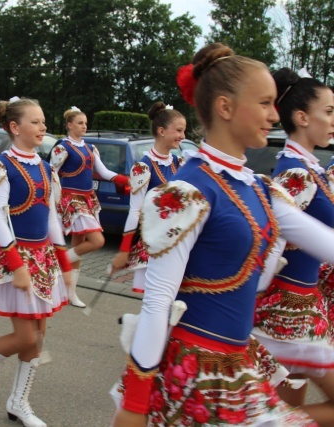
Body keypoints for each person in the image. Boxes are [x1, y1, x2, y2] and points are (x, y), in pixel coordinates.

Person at [110, 43, 334, 426]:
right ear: (225, 108)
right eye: (263, 103)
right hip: (199, 374)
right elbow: (158, 301)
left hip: (239, 366)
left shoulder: (263, 189)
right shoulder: (185, 193)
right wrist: (134, 405)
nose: (273, 114)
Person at [0, 97, 71, 427]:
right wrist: (17, 264)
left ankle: (19, 402)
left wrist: (62, 258)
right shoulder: (0, 166)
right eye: (35, 122)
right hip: (15, 257)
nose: (43, 127)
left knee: (39, 336)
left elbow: (49, 218)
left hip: (43, 257)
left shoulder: (47, 167)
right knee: (24, 338)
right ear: (14, 127)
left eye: (43, 121)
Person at [251, 68, 334, 423]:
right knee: (282, 415)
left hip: (305, 305)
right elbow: (271, 237)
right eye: (328, 112)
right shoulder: (295, 174)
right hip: (290, 312)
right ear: (302, 118)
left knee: (286, 409)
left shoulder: (311, 168)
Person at [50, 106, 129, 307]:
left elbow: (102, 171)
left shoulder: (90, 148)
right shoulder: (62, 147)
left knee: (79, 247)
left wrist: (124, 180)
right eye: (79, 123)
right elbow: (51, 174)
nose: (84, 126)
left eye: (85, 123)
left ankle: (70, 293)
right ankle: (56, 263)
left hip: (88, 199)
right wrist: (50, 201)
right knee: (97, 240)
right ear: (69, 125)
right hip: (71, 200)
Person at [110, 102, 186, 293]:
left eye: (183, 131)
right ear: (161, 131)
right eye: (178, 130)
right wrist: (124, 249)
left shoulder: (181, 164)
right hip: (152, 244)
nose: (183, 136)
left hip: (177, 244)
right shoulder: (143, 168)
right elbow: (135, 211)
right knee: (154, 304)